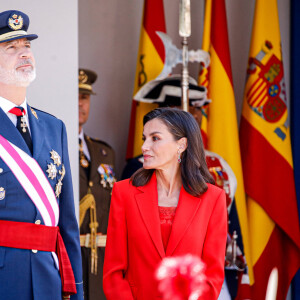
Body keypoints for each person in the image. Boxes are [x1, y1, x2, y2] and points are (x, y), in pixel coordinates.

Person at [121, 75, 249, 299]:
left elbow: (231, 226)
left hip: (208, 283)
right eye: (187, 108)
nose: (196, 115)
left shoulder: (219, 166)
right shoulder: (138, 169)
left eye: (196, 108)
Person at [0, 10, 83, 300]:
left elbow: (68, 222)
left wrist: (77, 290)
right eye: (11, 48)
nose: (24, 53)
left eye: (27, 46)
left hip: (49, 277)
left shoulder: (53, 127)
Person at [103, 107, 227, 299]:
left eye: (155, 138)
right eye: (144, 138)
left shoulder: (213, 199)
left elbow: (212, 275)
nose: (144, 146)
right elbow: (113, 272)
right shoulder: (123, 193)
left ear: (182, 144)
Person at [78, 68, 116, 300]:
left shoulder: (104, 152)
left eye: (84, 97)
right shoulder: (51, 147)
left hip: (102, 261)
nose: (80, 104)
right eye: (74, 97)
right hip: (70, 256)